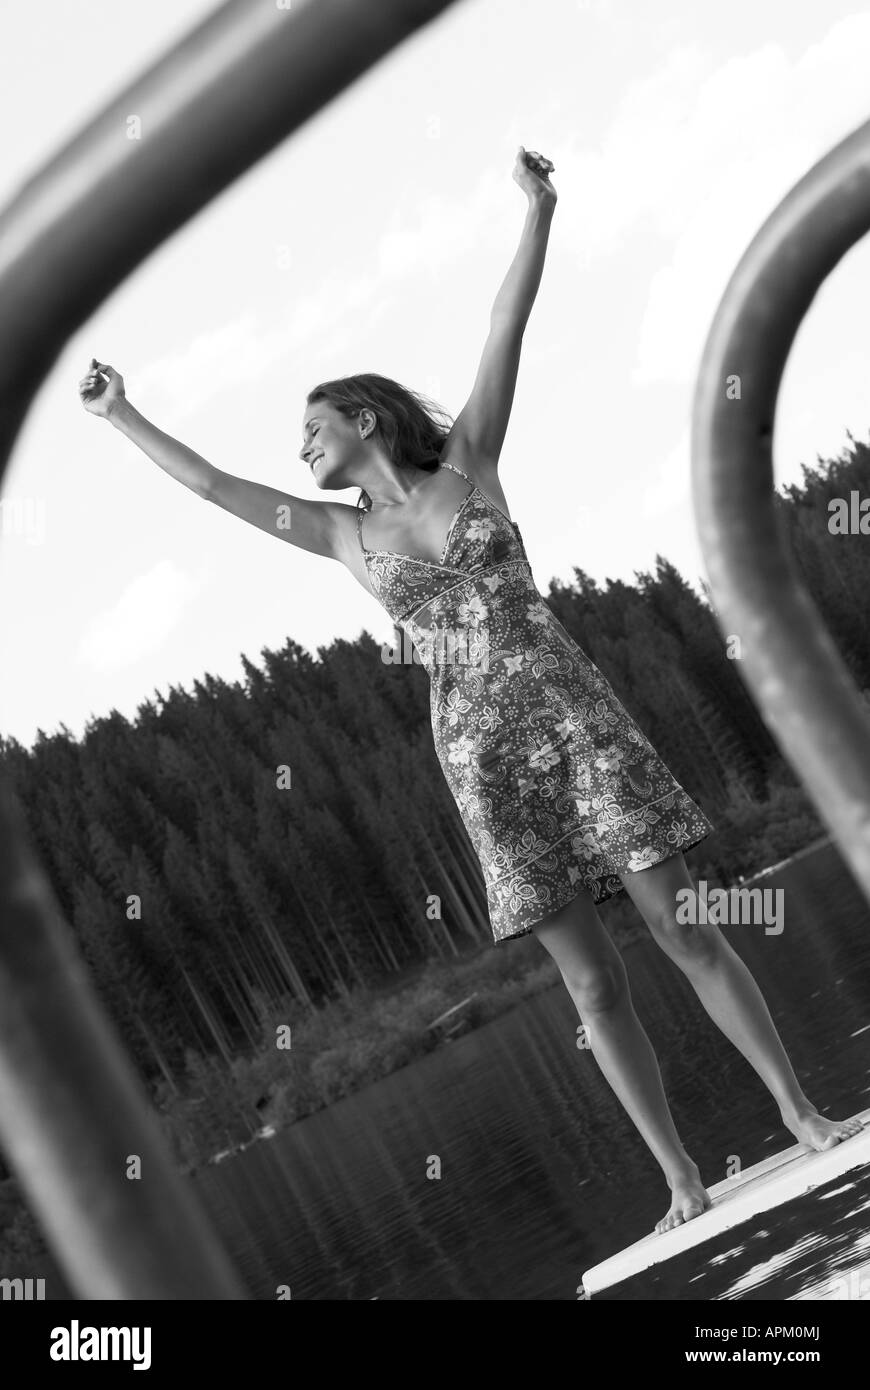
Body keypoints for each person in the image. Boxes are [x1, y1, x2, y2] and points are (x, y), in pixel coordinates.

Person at [79, 147, 863, 1236]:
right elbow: (217, 486)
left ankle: (801, 1113)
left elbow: (507, 326)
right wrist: (123, 413)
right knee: (591, 989)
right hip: (484, 760)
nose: (300, 445)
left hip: (577, 718)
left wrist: (538, 211)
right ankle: (682, 1180)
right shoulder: (342, 535)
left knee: (684, 926)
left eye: (313, 424)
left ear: (361, 416)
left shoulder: (469, 462)